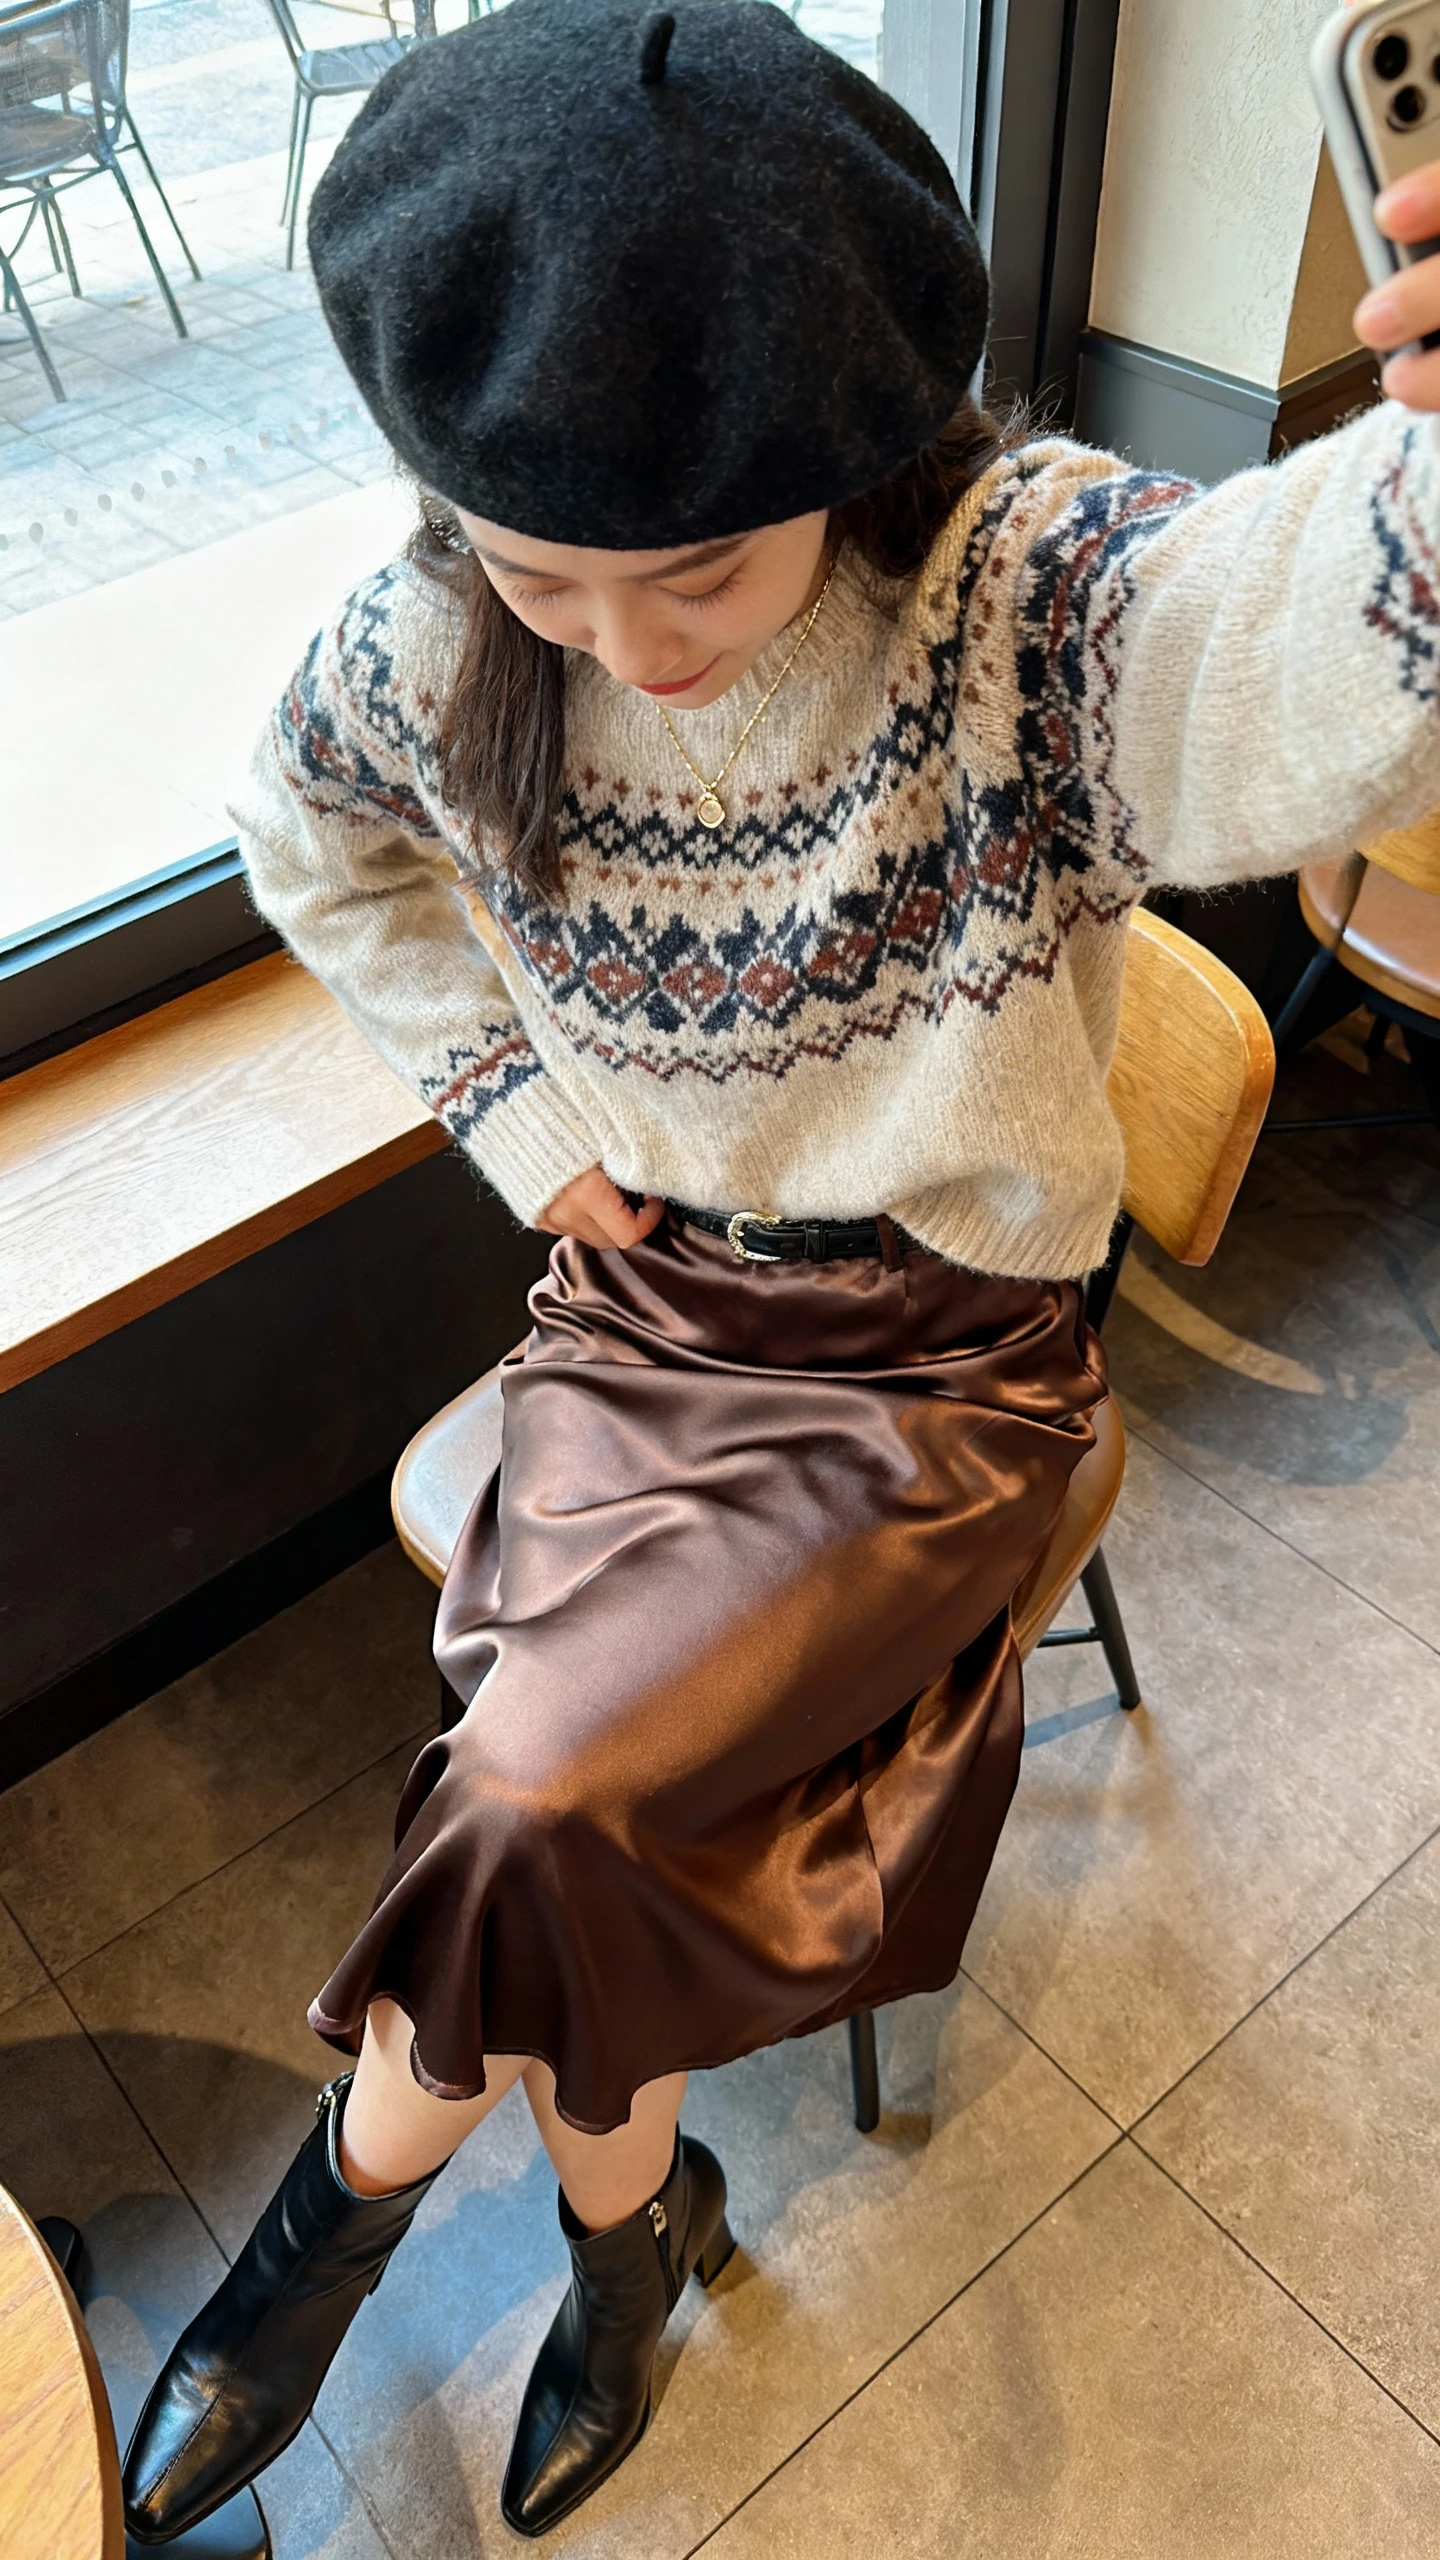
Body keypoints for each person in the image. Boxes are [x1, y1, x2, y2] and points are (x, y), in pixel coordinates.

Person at [121, 0, 1440, 2542]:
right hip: (645, 1327)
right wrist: (516, 1113)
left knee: (533, 1783)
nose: (623, 644)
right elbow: (306, 833)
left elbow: (1290, 640)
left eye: (700, 566)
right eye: (538, 571)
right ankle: (640, 2244)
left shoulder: (1007, 609)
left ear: (845, 458)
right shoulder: (429, 644)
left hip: (939, 1375)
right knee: (579, 1835)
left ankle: (325, 2231)